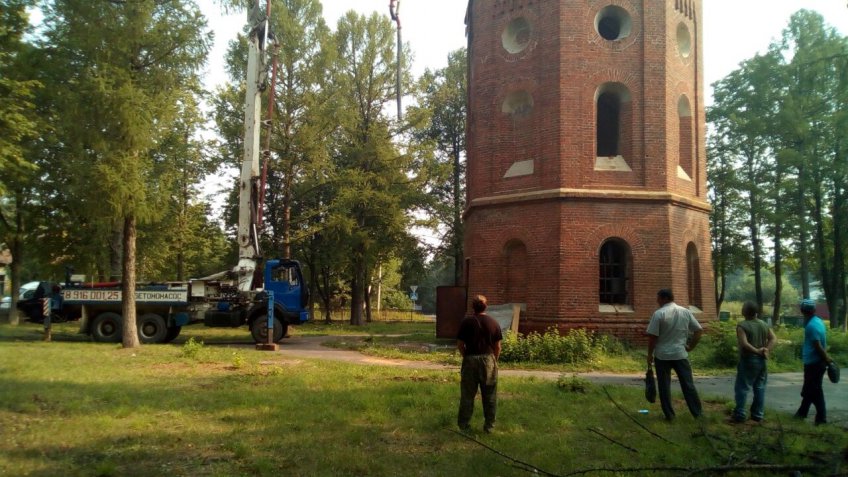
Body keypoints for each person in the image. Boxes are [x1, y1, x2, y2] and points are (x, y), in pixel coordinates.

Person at [646, 288, 703, 420]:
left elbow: (652, 337)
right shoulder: (685, 312)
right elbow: (698, 331)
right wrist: (691, 347)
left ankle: (669, 415)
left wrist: (650, 354)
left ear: (664, 298)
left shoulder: (659, 314)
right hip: (680, 354)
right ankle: (697, 413)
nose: (657, 301)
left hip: (662, 355)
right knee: (688, 384)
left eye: (658, 298)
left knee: (664, 386)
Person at [457, 295, 503, 433]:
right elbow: (498, 346)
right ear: (486, 306)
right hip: (488, 360)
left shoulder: (466, 322)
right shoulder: (493, 322)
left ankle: (464, 426)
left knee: (467, 395)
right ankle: (489, 427)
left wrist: (467, 357)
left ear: (473, 307)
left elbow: (460, 344)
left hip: (470, 358)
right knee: (489, 395)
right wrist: (493, 360)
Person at [732, 301, 776, 422]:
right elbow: (773, 338)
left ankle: (740, 414)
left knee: (742, 388)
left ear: (744, 312)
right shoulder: (763, 324)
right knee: (760, 387)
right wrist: (766, 350)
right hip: (762, 361)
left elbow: (744, 343)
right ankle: (757, 414)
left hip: (748, 360)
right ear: (756, 312)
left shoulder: (742, 325)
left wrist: (757, 351)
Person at [794, 299, 833, 425]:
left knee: (814, 391)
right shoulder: (817, 321)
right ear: (814, 310)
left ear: (802, 311)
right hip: (815, 362)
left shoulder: (811, 326)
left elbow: (817, 345)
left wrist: (826, 358)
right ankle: (802, 413)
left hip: (814, 364)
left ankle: (822, 419)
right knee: (809, 390)